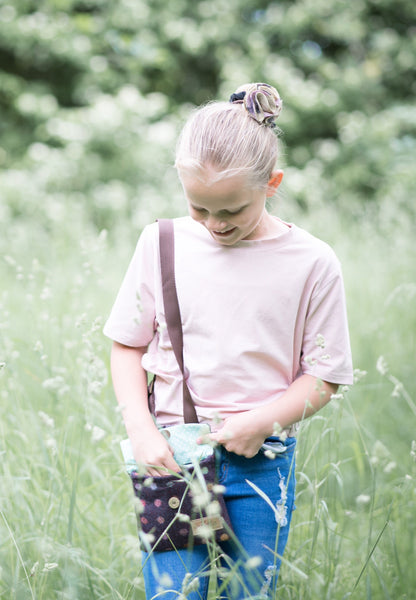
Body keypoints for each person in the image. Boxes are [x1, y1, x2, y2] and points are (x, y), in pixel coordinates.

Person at [103, 82, 353, 599]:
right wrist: (142, 430)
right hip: (171, 455)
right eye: (199, 208)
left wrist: (263, 422)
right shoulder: (161, 243)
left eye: (232, 211)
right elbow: (127, 345)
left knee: (249, 592)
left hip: (261, 461)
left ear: (272, 184)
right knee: (175, 593)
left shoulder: (312, 263)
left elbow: (325, 376)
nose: (215, 225)